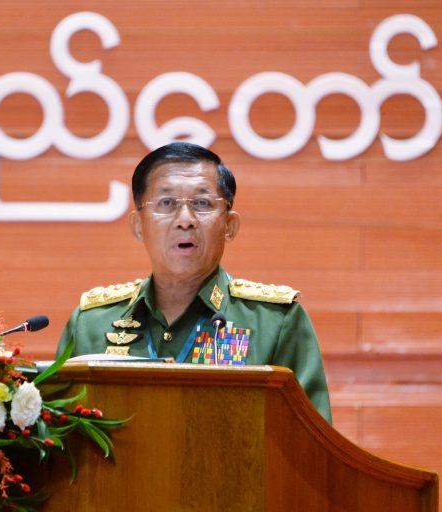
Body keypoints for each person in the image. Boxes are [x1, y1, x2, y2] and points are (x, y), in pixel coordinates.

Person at [56, 142, 332, 422]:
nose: (185, 220)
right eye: (166, 203)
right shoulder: (91, 324)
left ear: (230, 225)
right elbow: (60, 440)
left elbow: (311, 448)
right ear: (138, 226)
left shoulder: (275, 323)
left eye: (202, 204)